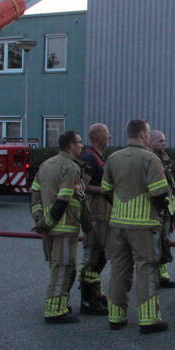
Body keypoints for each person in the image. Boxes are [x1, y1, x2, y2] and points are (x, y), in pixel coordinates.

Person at [101, 119, 172, 334]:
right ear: (143, 135)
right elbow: (159, 193)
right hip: (144, 224)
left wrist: (121, 207)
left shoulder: (113, 158)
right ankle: (149, 319)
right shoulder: (150, 158)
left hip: (118, 223)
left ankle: (115, 317)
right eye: (148, 134)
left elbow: (105, 190)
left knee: (118, 270)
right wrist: (162, 211)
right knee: (146, 268)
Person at [30, 130, 90, 324]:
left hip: (47, 228)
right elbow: (64, 199)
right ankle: (55, 310)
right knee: (63, 267)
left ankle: (61, 304)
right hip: (64, 227)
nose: (82, 146)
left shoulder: (46, 165)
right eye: (79, 143)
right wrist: (50, 221)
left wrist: (41, 220)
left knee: (56, 267)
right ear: (71, 145)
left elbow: (35, 196)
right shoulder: (71, 168)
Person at [78, 123, 112, 315]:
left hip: (104, 213)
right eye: (107, 135)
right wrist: (103, 190)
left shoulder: (98, 157)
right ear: (99, 137)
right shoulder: (90, 158)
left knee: (101, 255)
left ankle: (96, 295)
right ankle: (87, 300)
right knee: (93, 256)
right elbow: (81, 187)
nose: (110, 138)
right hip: (95, 213)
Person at [149, 129, 175, 289]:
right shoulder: (150, 160)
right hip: (156, 208)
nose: (164, 143)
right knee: (156, 243)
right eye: (160, 141)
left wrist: (173, 213)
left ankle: (163, 275)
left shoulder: (164, 158)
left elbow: (170, 187)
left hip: (167, 207)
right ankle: (155, 276)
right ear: (150, 141)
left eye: (164, 140)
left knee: (164, 241)